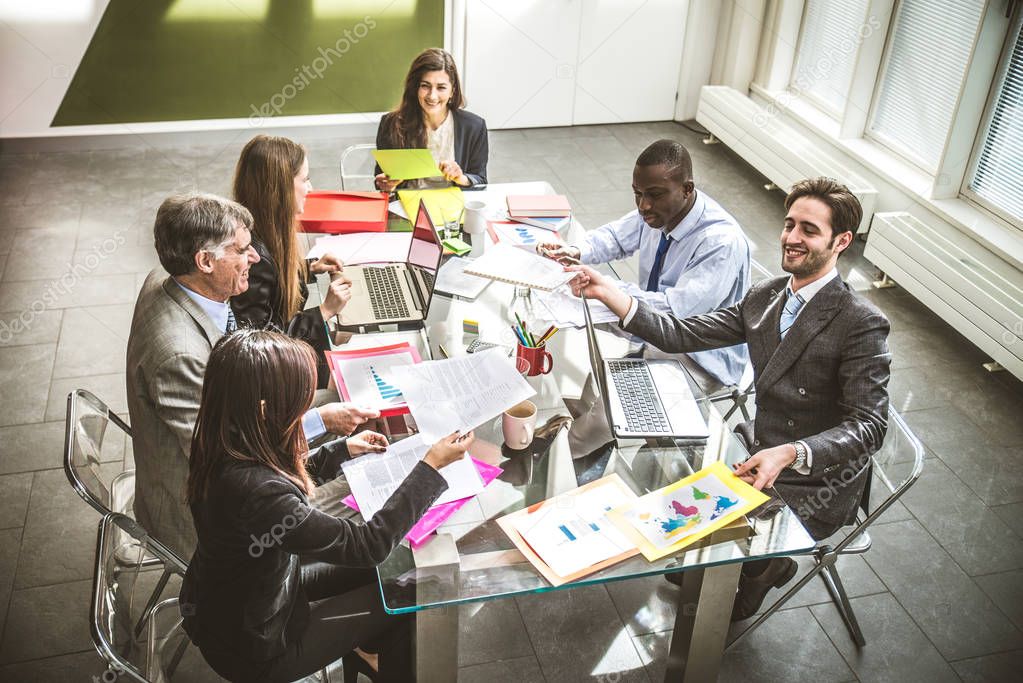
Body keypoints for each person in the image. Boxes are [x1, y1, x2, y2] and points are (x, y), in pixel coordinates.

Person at [567, 177, 891, 620]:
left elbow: (870, 426)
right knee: (664, 506)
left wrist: (793, 453)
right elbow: (683, 332)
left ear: (841, 241)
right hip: (757, 450)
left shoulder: (861, 323)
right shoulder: (765, 296)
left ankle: (763, 567)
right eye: (789, 224)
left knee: (707, 587)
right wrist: (610, 293)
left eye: (809, 230)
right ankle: (736, 560)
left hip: (817, 481)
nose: (792, 238)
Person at [180, 328, 473, 682]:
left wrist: (341, 449)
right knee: (411, 594)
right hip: (256, 646)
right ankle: (379, 652)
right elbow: (369, 545)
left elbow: (275, 472)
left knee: (398, 569)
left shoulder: (221, 435)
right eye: (298, 400)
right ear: (263, 409)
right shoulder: (258, 493)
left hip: (244, 599)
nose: (305, 406)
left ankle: (370, 648)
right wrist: (430, 467)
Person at [126, 193, 379, 559]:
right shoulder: (180, 357)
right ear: (205, 261)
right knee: (365, 505)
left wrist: (319, 423)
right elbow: (230, 455)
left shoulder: (178, 279)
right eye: (243, 250)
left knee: (336, 398)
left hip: (233, 437)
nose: (256, 258)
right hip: (207, 511)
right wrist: (319, 429)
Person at [537, 139, 751, 390]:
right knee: (566, 336)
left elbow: (676, 315)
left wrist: (608, 289)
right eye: (637, 194)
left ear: (687, 189)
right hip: (651, 326)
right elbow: (616, 237)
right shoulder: (659, 211)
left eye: (654, 195)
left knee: (619, 400)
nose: (643, 206)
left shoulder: (720, 243)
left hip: (698, 354)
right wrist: (575, 250)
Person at [231, 134, 351, 389]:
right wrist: (324, 311)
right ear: (281, 187)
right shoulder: (253, 257)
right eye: (305, 179)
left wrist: (307, 268)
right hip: (279, 380)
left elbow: (272, 287)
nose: (310, 188)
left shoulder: (264, 229)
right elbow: (262, 342)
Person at [374, 47, 488, 191]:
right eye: (425, 86)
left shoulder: (474, 127)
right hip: (406, 205)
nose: (432, 96)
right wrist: (388, 184)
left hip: (454, 205)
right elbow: (380, 180)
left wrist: (461, 178)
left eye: (441, 87)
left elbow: (481, 181)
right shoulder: (390, 124)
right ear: (415, 88)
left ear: (452, 91)